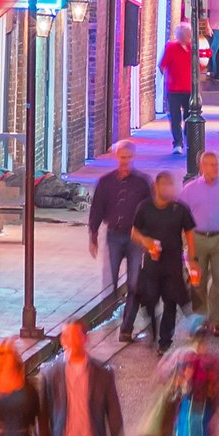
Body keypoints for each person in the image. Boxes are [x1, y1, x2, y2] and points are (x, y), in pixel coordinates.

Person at [129, 168, 198, 352]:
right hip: (152, 264)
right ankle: (153, 327)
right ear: (156, 187)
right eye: (164, 185)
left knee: (171, 302)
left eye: (170, 184)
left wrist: (192, 258)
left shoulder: (180, 209)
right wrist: (145, 241)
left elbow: (190, 233)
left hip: (173, 264)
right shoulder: (145, 208)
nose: (168, 188)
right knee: (149, 299)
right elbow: (134, 232)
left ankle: (165, 341)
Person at [91, 140, 153, 336]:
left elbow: (149, 210)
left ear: (133, 158)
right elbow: (97, 208)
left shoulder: (142, 183)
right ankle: (106, 321)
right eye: (122, 157)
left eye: (128, 157)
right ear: (116, 157)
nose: (125, 161)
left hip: (135, 237)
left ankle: (127, 326)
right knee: (110, 282)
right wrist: (92, 234)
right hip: (114, 235)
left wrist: (149, 238)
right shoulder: (106, 182)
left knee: (134, 282)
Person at [190, 148, 219, 335]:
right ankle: (200, 318)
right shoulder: (190, 190)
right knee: (198, 281)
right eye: (209, 165)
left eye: (216, 164)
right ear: (201, 167)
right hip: (198, 239)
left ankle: (217, 321)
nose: (214, 168)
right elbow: (183, 217)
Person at [160, 28, 205, 173]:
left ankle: (187, 138)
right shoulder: (171, 48)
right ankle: (177, 143)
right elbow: (162, 65)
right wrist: (168, 78)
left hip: (189, 89)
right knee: (174, 117)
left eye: (188, 35)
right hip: (173, 89)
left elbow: (198, 67)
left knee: (189, 117)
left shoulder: (193, 49)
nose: (187, 38)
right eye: (185, 35)